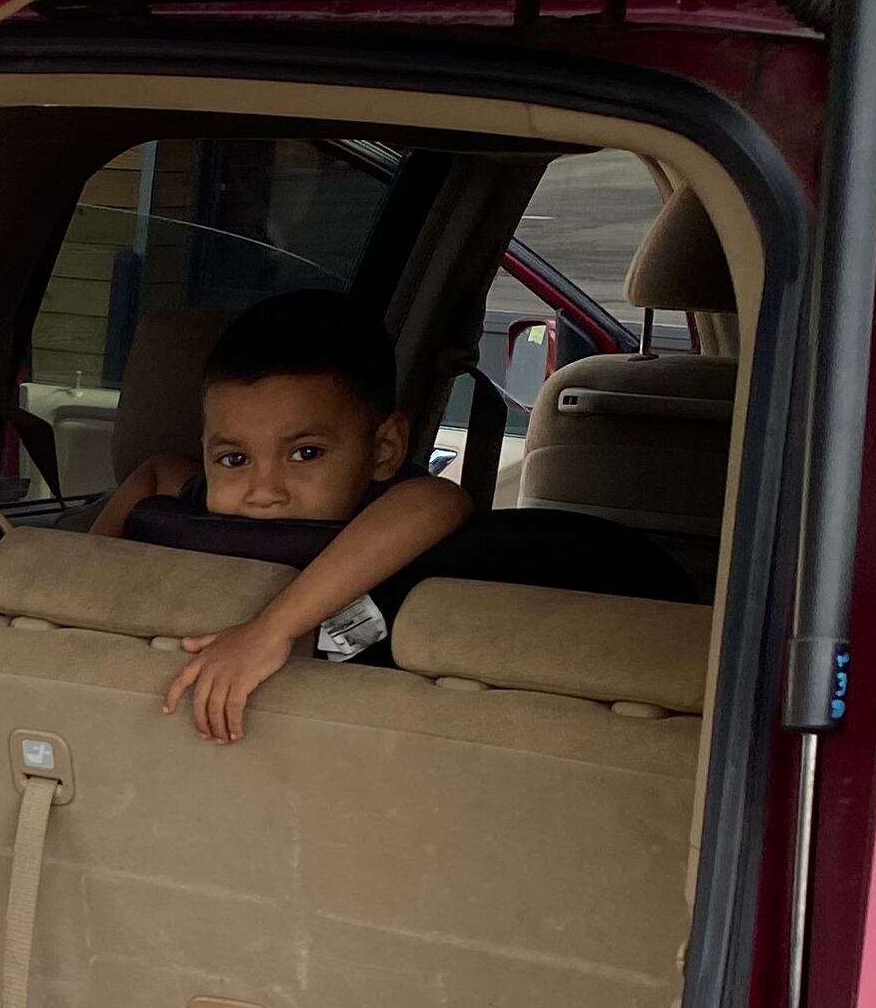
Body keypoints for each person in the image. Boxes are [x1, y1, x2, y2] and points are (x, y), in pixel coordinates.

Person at [87, 287, 694, 742]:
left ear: (384, 451)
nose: (263, 490)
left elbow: (441, 498)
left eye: (306, 453)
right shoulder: (200, 503)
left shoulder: (389, 511)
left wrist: (270, 630)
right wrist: (87, 568)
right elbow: (161, 470)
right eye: (235, 457)